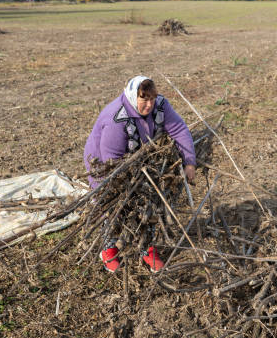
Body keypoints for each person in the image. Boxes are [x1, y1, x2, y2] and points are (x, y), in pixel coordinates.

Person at [83, 75, 196, 273]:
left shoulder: (161, 105)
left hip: (139, 161)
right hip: (104, 165)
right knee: (113, 205)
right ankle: (108, 249)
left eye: (152, 98)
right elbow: (112, 161)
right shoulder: (116, 117)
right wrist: (129, 188)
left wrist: (189, 163)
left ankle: (147, 248)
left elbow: (179, 130)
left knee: (151, 201)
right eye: (144, 99)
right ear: (134, 96)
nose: (149, 104)